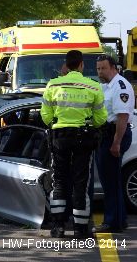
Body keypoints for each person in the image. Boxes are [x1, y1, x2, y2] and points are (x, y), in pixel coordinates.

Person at [41, 50, 107, 239]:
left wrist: (56, 122)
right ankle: (80, 229)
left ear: (66, 64)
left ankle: (58, 227)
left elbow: (45, 116)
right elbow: (101, 118)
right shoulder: (93, 87)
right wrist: (88, 123)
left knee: (59, 182)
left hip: (60, 138)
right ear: (81, 65)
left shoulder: (53, 84)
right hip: (83, 139)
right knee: (81, 183)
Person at [92, 55, 134, 233]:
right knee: (111, 180)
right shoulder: (106, 86)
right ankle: (119, 219)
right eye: (98, 68)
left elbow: (122, 117)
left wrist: (116, 143)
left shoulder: (120, 86)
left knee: (110, 182)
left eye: (103, 68)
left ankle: (112, 222)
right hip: (107, 135)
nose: (100, 71)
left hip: (114, 135)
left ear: (113, 68)